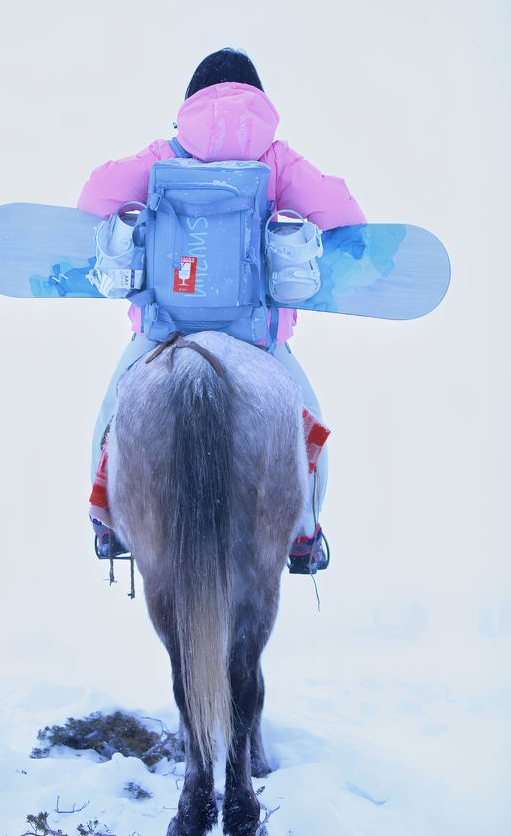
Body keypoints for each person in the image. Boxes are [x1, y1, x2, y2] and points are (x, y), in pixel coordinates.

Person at [78, 48, 366, 573]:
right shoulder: (277, 161)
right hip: (258, 340)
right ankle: (304, 535)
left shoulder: (163, 157)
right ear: (259, 101)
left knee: (114, 414)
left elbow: (93, 198)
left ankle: (108, 519)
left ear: (190, 104)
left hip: (162, 337)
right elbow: (347, 215)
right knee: (309, 423)